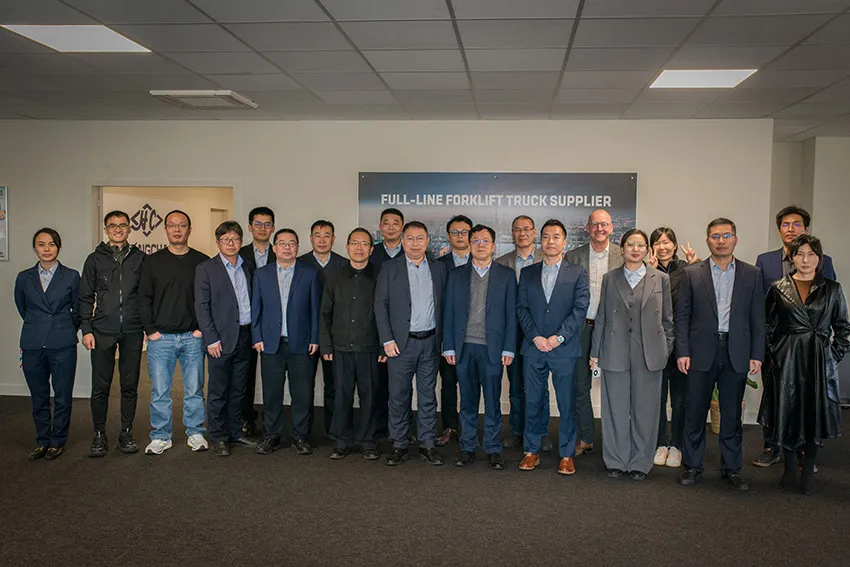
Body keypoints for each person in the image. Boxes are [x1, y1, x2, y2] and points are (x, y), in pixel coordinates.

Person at [677, 218, 765, 491]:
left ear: (735, 239)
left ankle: (732, 468)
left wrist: (757, 353)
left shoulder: (752, 274)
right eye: (715, 236)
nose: (721, 241)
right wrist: (683, 351)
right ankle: (692, 466)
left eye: (726, 235)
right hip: (700, 352)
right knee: (695, 412)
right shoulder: (692, 273)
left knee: (731, 414)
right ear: (708, 241)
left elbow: (757, 317)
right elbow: (682, 316)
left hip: (736, 350)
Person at [757, 235, 850, 495]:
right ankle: (788, 467)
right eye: (800, 254)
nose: (805, 260)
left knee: (814, 414)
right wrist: (774, 354)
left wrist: (831, 357)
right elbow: (766, 326)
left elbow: (843, 329)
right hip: (786, 359)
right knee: (786, 412)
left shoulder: (832, 289)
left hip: (818, 361)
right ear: (792, 258)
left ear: (819, 259)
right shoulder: (778, 287)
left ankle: (808, 470)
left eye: (811, 254)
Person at [753, 205, 837, 468]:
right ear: (779, 230)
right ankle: (772, 446)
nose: (791, 229)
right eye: (785, 225)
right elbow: (760, 306)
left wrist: (830, 352)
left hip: (811, 347)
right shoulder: (765, 260)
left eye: (797, 224)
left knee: (807, 399)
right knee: (775, 398)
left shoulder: (824, 261)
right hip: (777, 345)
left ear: (806, 228)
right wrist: (766, 346)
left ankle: (803, 450)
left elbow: (830, 303)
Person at [590, 229, 674, 480]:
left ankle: (640, 461)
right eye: (630, 244)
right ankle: (616, 459)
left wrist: (665, 350)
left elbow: (668, 321)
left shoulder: (660, 279)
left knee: (645, 410)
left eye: (640, 245)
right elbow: (602, 317)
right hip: (614, 350)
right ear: (622, 248)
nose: (635, 249)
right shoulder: (610, 278)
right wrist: (595, 352)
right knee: (615, 409)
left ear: (647, 249)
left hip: (649, 353)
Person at [517, 219, 589, 474]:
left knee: (567, 403)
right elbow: (522, 309)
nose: (550, 241)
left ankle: (567, 454)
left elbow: (580, 309)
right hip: (534, 347)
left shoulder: (577, 273)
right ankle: (531, 450)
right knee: (533, 400)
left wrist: (559, 337)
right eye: (546, 237)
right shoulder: (528, 273)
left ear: (564, 242)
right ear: (540, 241)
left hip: (564, 348)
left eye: (556, 237)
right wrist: (535, 337)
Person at [443, 224, 516, 470]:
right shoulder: (456, 275)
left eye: (485, 241)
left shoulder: (506, 275)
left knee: (493, 401)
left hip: (492, 349)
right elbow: (448, 312)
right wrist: (449, 346)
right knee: (468, 400)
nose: (480, 245)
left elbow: (511, 314)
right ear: (469, 244)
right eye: (476, 240)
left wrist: (509, 347)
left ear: (493, 246)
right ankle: (467, 447)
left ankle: (493, 448)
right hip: (464, 347)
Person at [375, 221, 447, 466]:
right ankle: (399, 443)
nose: (415, 243)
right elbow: (380, 306)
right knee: (398, 396)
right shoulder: (389, 268)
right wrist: (386, 340)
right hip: (400, 345)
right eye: (410, 238)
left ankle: (427, 443)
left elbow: (444, 306)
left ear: (427, 241)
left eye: (420, 238)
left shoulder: (438, 269)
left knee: (428, 396)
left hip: (430, 343)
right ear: (403, 241)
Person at [138, 210, 209, 455]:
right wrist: (151, 331)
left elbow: (207, 299)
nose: (177, 230)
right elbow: (143, 298)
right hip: (161, 339)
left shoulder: (202, 262)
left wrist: (200, 329)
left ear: (190, 229)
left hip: (192, 337)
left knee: (194, 390)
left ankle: (196, 432)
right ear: (165, 229)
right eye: (171, 225)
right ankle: (160, 436)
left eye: (182, 225)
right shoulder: (152, 262)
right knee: (160, 392)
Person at [79, 210, 146, 457]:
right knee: (100, 386)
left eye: (122, 225)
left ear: (129, 229)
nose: (118, 229)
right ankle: (99, 435)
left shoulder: (140, 258)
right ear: (106, 229)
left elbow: (146, 295)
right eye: (112, 226)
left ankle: (126, 433)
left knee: (130, 385)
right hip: (102, 330)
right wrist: (86, 329)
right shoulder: (94, 259)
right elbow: (85, 297)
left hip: (132, 329)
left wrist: (147, 327)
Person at [252, 229, 320, 456]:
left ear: (297, 248)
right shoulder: (262, 274)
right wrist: (256, 336)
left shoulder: (309, 274)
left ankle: (300, 437)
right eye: (282, 243)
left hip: (301, 343)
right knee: (272, 394)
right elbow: (256, 308)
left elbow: (315, 309)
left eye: (292, 243)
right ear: (274, 248)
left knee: (302, 394)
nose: (287, 247)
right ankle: (271, 436)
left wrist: (314, 338)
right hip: (271, 344)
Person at [320, 228, 385, 460]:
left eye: (364, 244)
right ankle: (341, 441)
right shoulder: (334, 276)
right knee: (341, 396)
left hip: (370, 348)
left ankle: (368, 441)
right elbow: (325, 313)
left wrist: (383, 346)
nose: (359, 248)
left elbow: (385, 313)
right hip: (340, 348)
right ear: (347, 247)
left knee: (370, 396)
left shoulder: (380, 276)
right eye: (355, 243)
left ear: (371, 249)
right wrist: (326, 345)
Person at [15, 228, 80, 461]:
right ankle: (42, 440)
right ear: (35, 248)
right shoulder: (24, 277)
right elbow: (22, 307)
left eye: (51, 244)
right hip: (32, 343)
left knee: (62, 394)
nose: (46, 249)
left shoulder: (71, 276)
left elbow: (78, 309)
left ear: (58, 247)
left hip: (62, 342)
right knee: (38, 395)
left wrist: (62, 327)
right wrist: (39, 325)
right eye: (41, 244)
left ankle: (57, 441)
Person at [195, 221, 257, 457]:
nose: (231, 243)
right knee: (218, 391)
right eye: (226, 239)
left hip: (245, 335)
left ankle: (235, 431)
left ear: (241, 241)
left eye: (235, 239)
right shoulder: (206, 268)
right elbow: (202, 306)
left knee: (239, 389)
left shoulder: (248, 266)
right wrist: (211, 338)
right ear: (218, 242)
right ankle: (219, 436)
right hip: (219, 339)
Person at [565, 209, 624, 457]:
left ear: (612, 228)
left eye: (604, 224)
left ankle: (618, 442)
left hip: (614, 331)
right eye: (595, 224)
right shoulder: (573, 256)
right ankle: (586, 437)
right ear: (588, 228)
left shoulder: (623, 255)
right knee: (580, 387)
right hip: (582, 329)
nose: (600, 229)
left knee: (617, 387)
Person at [495, 215, 550, 450]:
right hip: (512, 332)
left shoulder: (546, 260)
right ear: (512, 233)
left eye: (527, 229)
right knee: (516, 385)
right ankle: (517, 430)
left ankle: (541, 432)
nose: (522, 233)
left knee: (540, 385)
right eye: (517, 229)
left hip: (539, 332)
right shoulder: (502, 262)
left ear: (534, 232)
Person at [646, 227, 698, 468]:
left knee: (679, 399)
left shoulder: (688, 270)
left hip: (680, 344)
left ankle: (676, 445)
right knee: (656, 399)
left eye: (667, 242)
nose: (663, 247)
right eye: (657, 242)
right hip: (654, 344)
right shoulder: (646, 270)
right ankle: (660, 443)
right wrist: (650, 273)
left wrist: (696, 267)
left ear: (675, 245)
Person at [298, 219, 348, 438]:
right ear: (310, 238)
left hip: (334, 336)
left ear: (333, 239)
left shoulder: (344, 265)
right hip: (305, 334)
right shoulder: (299, 263)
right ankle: (303, 434)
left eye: (326, 235)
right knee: (303, 386)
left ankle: (333, 430)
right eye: (317, 235)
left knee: (334, 385)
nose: (321, 240)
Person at [434, 214, 473, 447]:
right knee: (448, 384)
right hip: (447, 336)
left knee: (471, 385)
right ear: (448, 236)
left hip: (474, 336)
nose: (460, 236)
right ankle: (449, 426)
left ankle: (469, 429)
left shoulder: (481, 262)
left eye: (464, 232)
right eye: (455, 232)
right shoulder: (439, 265)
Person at [238, 206, 276, 437]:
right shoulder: (239, 254)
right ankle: (246, 417)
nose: (263, 228)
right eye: (258, 224)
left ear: (273, 227)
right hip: (247, 323)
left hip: (274, 323)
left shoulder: (281, 252)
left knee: (273, 374)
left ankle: (273, 420)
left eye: (267, 224)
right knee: (246, 374)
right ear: (250, 227)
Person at [370, 207, 405, 438]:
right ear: (380, 227)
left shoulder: (413, 254)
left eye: (395, 223)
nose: (391, 227)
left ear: (402, 227)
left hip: (406, 331)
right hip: (378, 330)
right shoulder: (372, 254)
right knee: (379, 382)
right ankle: (381, 426)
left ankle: (402, 428)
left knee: (402, 385)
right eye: (386, 222)